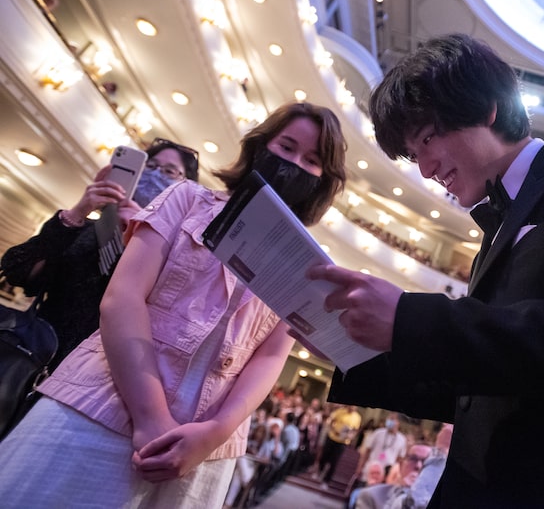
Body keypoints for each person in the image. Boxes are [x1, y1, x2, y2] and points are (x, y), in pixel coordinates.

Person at [307, 34, 544, 507]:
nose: (424, 169)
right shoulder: (494, 232)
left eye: (426, 139)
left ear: (486, 108)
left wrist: (410, 320)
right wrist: (347, 349)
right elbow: (477, 389)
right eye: (413, 153)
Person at [0, 102, 347, 508]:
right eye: (286, 147)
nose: (294, 164)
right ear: (260, 146)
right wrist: (150, 418)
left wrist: (215, 432)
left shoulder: (304, 262)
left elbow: (270, 358)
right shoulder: (187, 199)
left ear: (324, 179)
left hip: (206, 450)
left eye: (312, 160)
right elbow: (123, 298)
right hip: (104, 403)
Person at [0, 137, 199, 372]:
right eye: (150, 166)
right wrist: (78, 211)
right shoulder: (83, 230)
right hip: (33, 359)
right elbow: (17, 270)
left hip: (94, 378)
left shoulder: (171, 257)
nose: (155, 175)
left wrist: (141, 236)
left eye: (169, 172)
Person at [354, 443, 431, 509]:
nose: (418, 466)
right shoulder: (371, 496)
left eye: (426, 461)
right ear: (401, 466)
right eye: (413, 459)